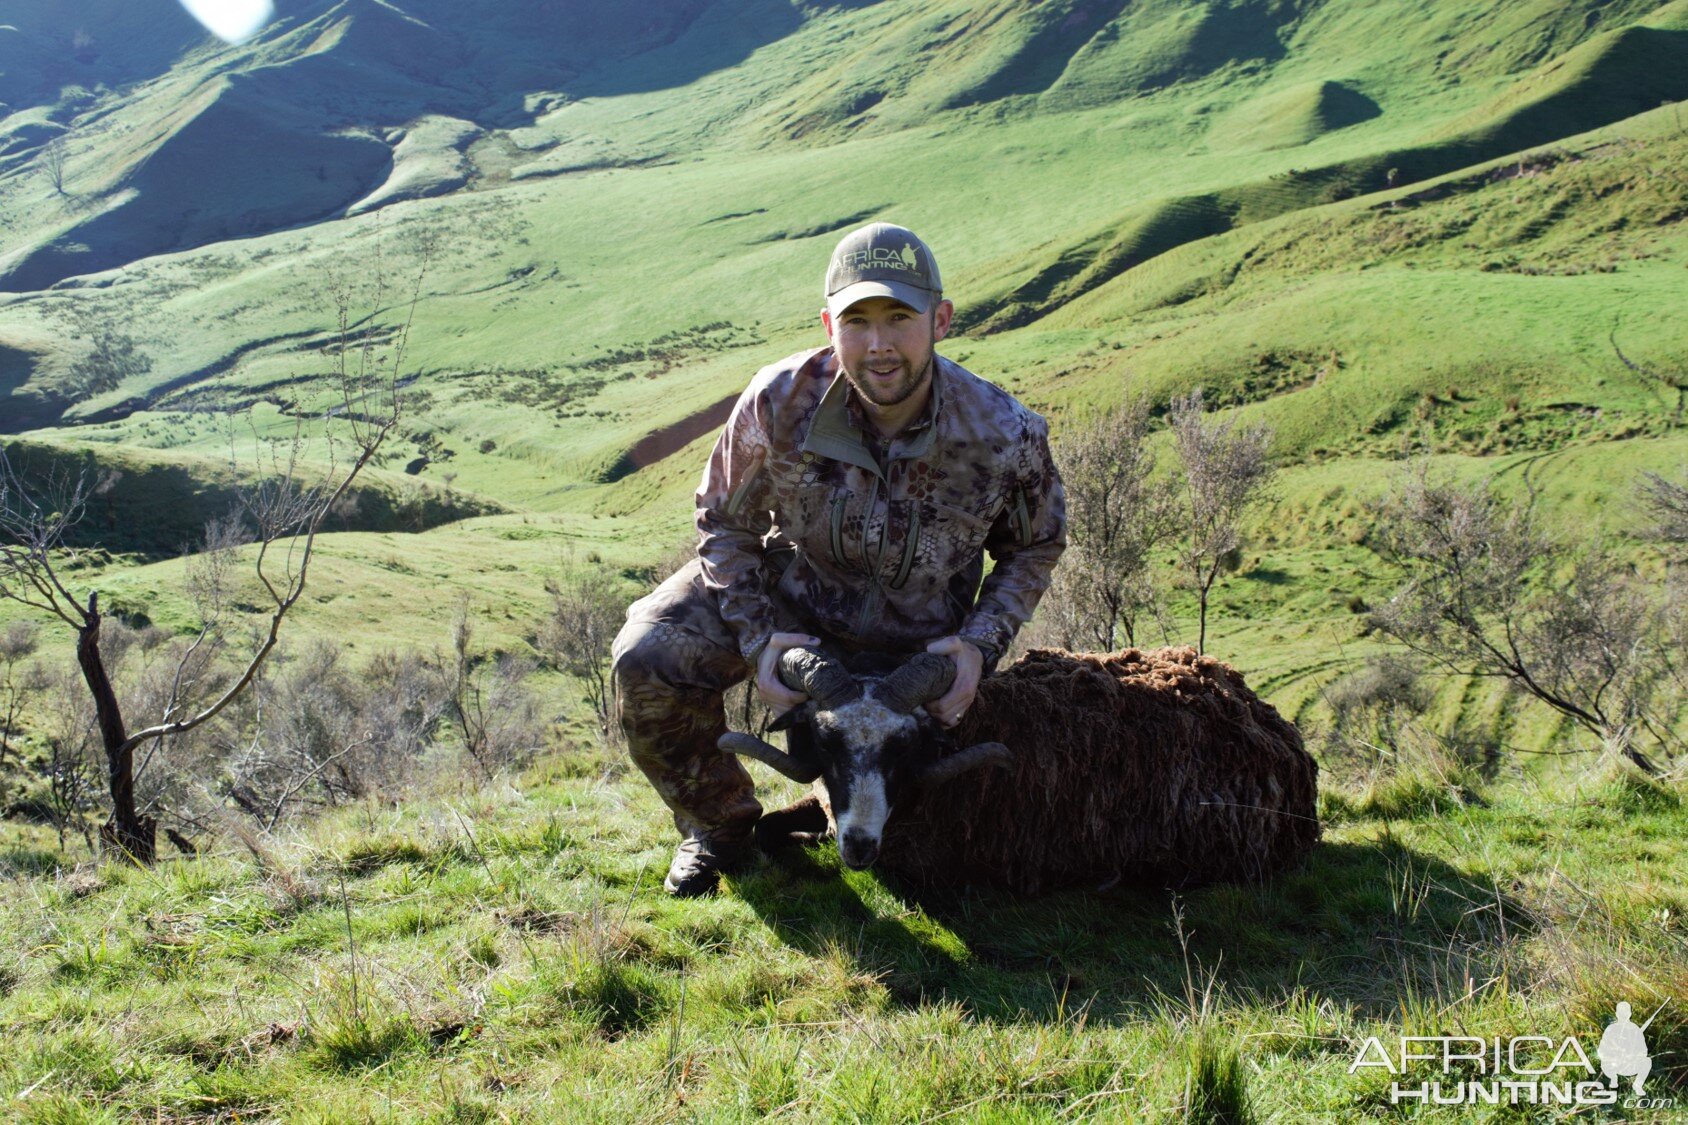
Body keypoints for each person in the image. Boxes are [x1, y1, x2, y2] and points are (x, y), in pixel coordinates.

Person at [611, 222, 1067, 896]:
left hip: (913, 642)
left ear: (939, 320)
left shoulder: (1004, 433)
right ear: (829, 324)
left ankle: (851, 806)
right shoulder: (778, 399)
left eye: (899, 318)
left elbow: (1035, 545)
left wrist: (977, 645)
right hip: (796, 605)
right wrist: (760, 640)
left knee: (945, 857)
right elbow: (723, 520)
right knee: (646, 654)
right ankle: (718, 825)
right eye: (857, 321)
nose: (879, 344)